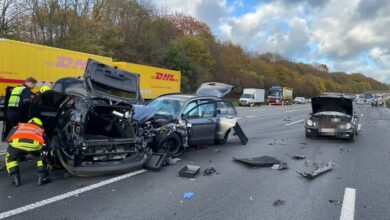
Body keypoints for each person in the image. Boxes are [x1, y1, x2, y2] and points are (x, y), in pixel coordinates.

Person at [4, 117, 51, 186]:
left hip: (16, 145)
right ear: (39, 125)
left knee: (10, 158)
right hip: (35, 147)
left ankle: (15, 179)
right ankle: (42, 178)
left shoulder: (19, 126)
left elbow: (8, 138)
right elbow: (46, 145)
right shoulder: (39, 130)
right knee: (42, 156)